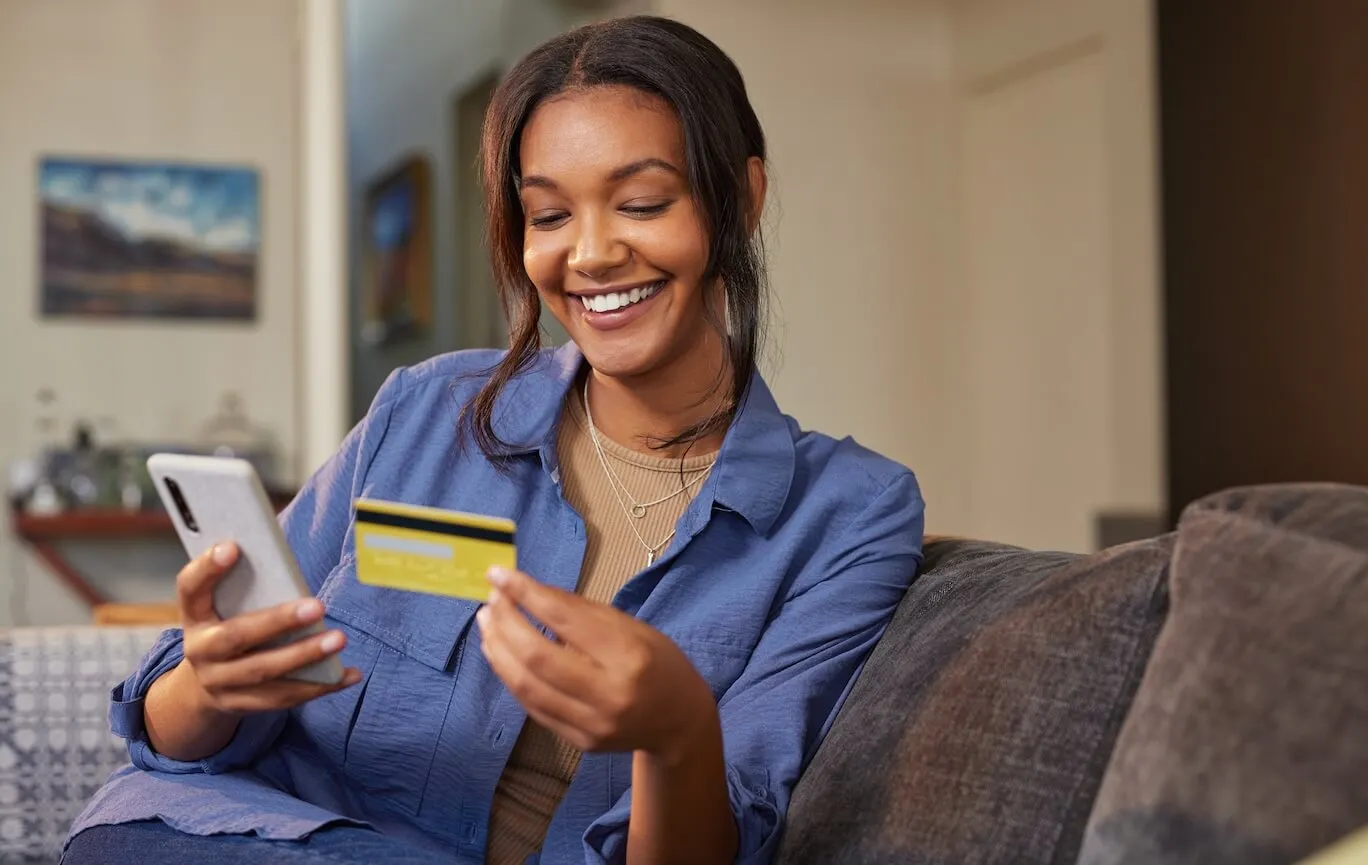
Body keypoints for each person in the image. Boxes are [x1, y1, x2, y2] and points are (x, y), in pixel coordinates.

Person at [64, 15, 924, 865]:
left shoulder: (850, 514)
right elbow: (169, 740)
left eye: (642, 203)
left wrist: (677, 736)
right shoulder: (426, 407)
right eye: (548, 216)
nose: (589, 254)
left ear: (740, 199)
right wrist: (208, 686)